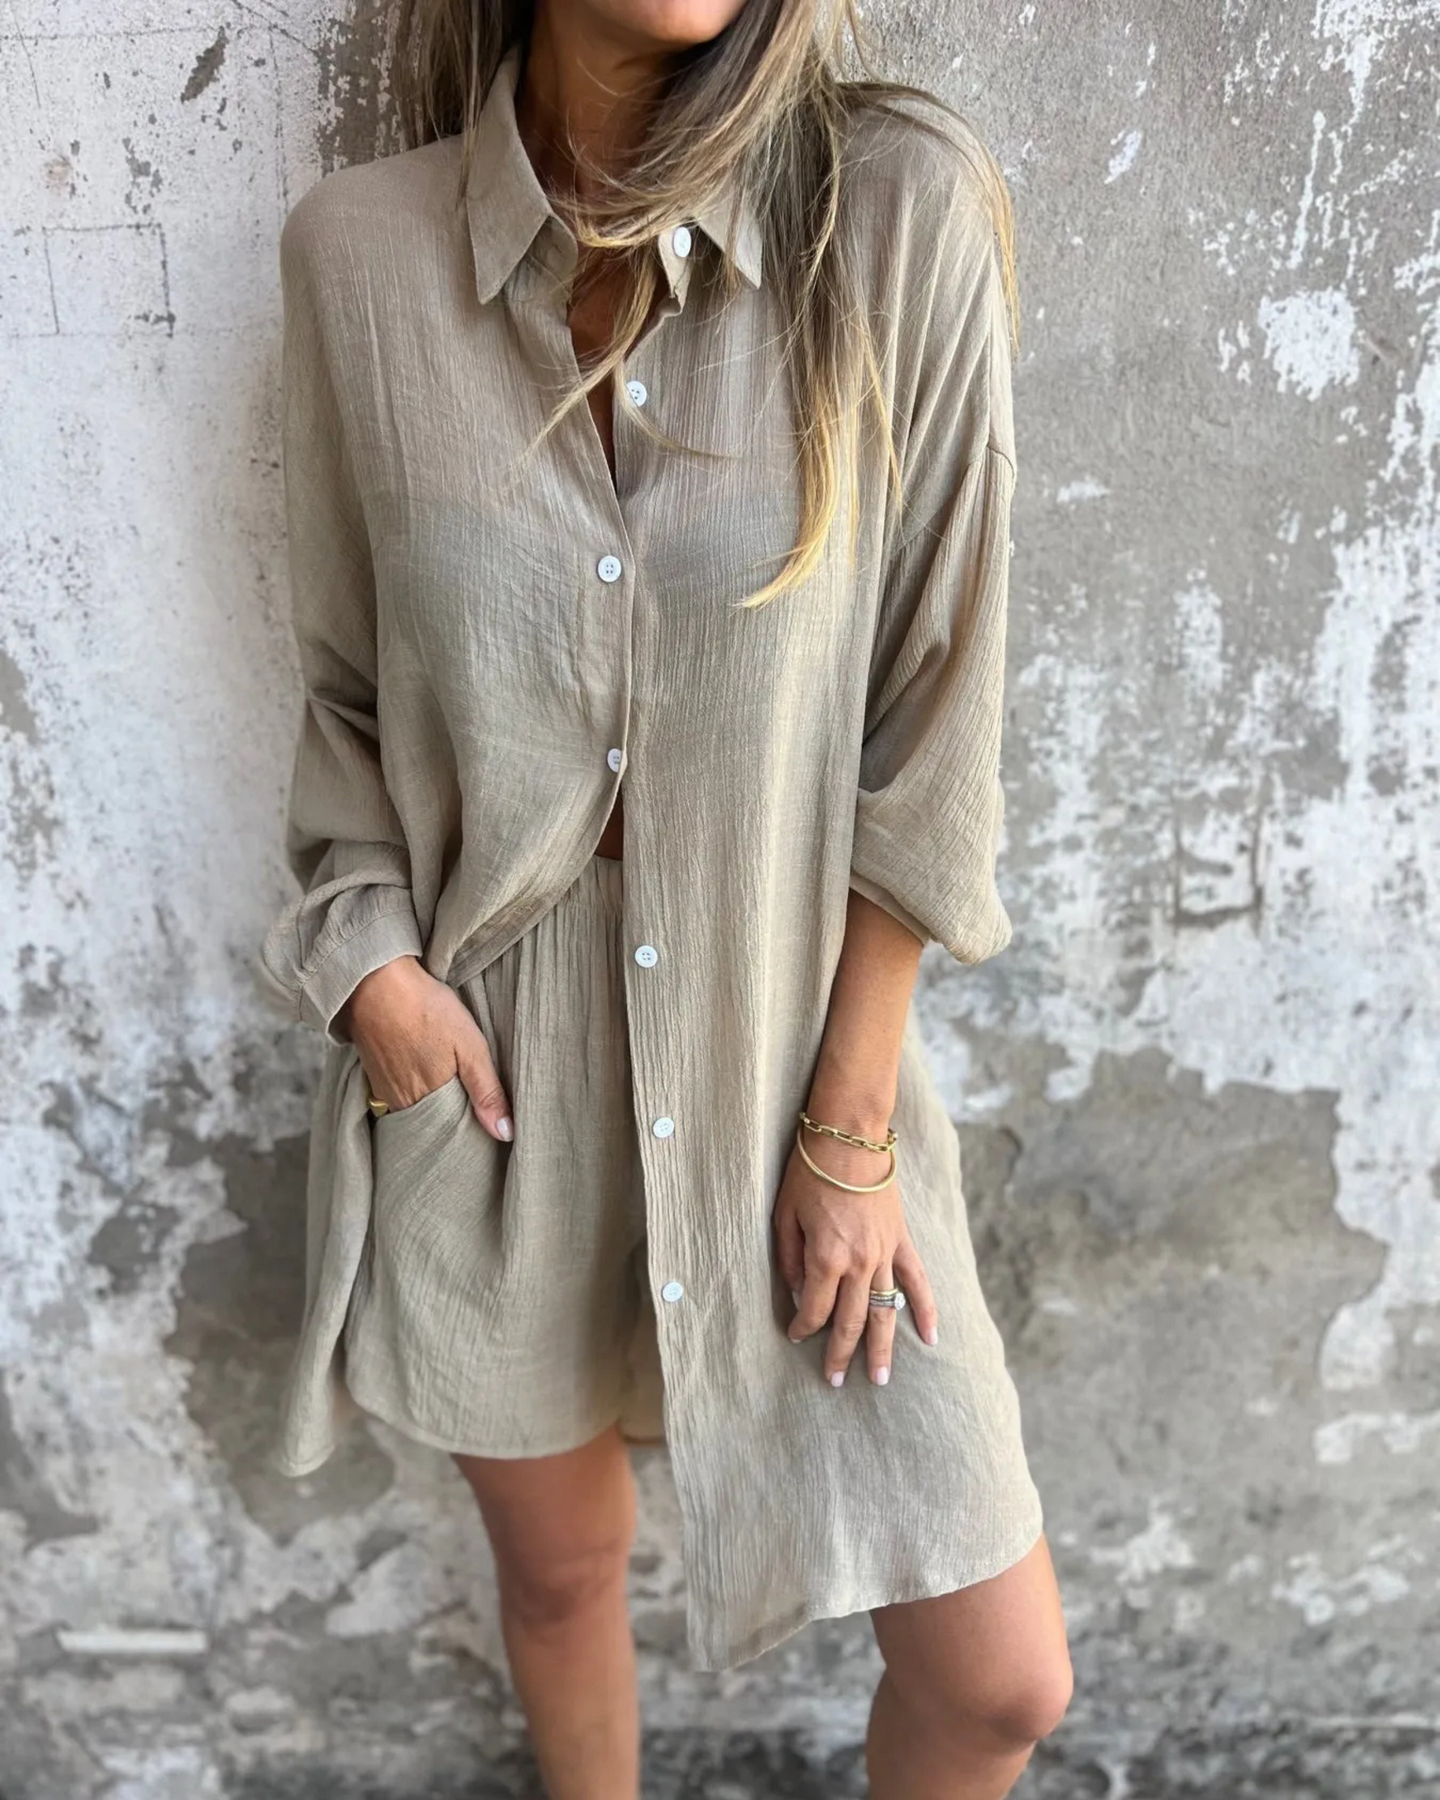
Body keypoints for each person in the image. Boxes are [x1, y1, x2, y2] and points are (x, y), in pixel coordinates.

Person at [258, 0, 1073, 1792]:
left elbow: (935, 731)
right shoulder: (359, 259)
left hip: (794, 1058)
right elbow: (340, 690)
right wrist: (377, 977)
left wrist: (849, 1129)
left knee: (998, 1682)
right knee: (562, 1579)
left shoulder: (895, 212)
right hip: (493, 1073)